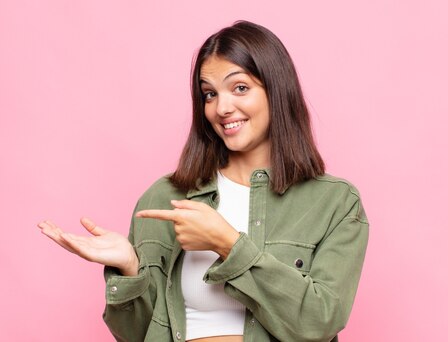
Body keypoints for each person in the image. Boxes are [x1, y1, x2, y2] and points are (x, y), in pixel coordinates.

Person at [38, 20, 368, 342]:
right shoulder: (164, 197)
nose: (222, 108)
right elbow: (137, 335)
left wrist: (227, 244)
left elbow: (319, 323)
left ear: (277, 90)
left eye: (240, 88)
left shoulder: (335, 203)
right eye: (209, 94)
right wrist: (130, 269)